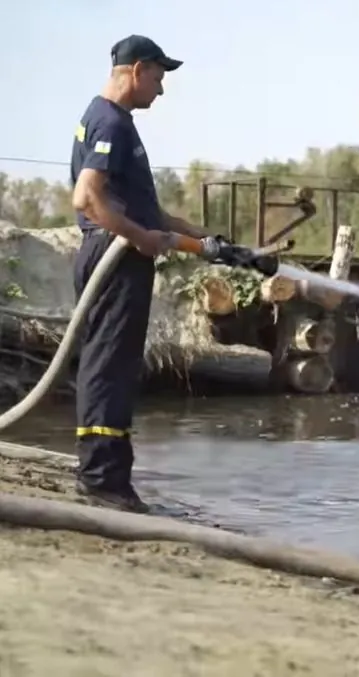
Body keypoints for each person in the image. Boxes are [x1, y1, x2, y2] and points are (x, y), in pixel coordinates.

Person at [69, 35, 212, 513]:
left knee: (111, 362)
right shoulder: (111, 121)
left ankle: (105, 473)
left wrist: (179, 227)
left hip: (115, 251)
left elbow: (123, 200)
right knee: (109, 364)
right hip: (115, 256)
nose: (161, 89)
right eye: (158, 77)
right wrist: (139, 236)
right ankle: (103, 479)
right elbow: (87, 197)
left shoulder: (105, 118)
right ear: (135, 71)